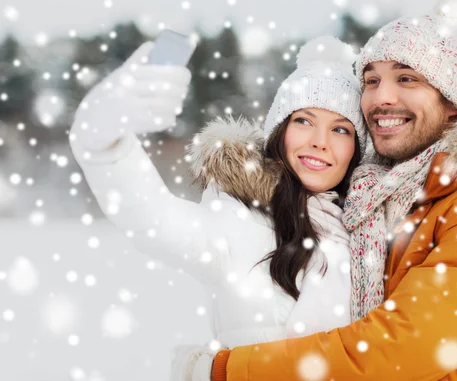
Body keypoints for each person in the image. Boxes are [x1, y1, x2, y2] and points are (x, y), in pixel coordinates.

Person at [177, 0, 457, 381]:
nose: (381, 98)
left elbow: (400, 347)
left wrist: (230, 370)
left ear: (454, 102)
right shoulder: (391, 197)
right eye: (371, 80)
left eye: (407, 78)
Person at [68, 36, 368, 377]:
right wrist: (103, 142)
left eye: (341, 129)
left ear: (356, 151)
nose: (320, 141)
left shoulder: (371, 234)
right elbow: (151, 215)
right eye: (304, 120)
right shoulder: (240, 223)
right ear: (279, 131)